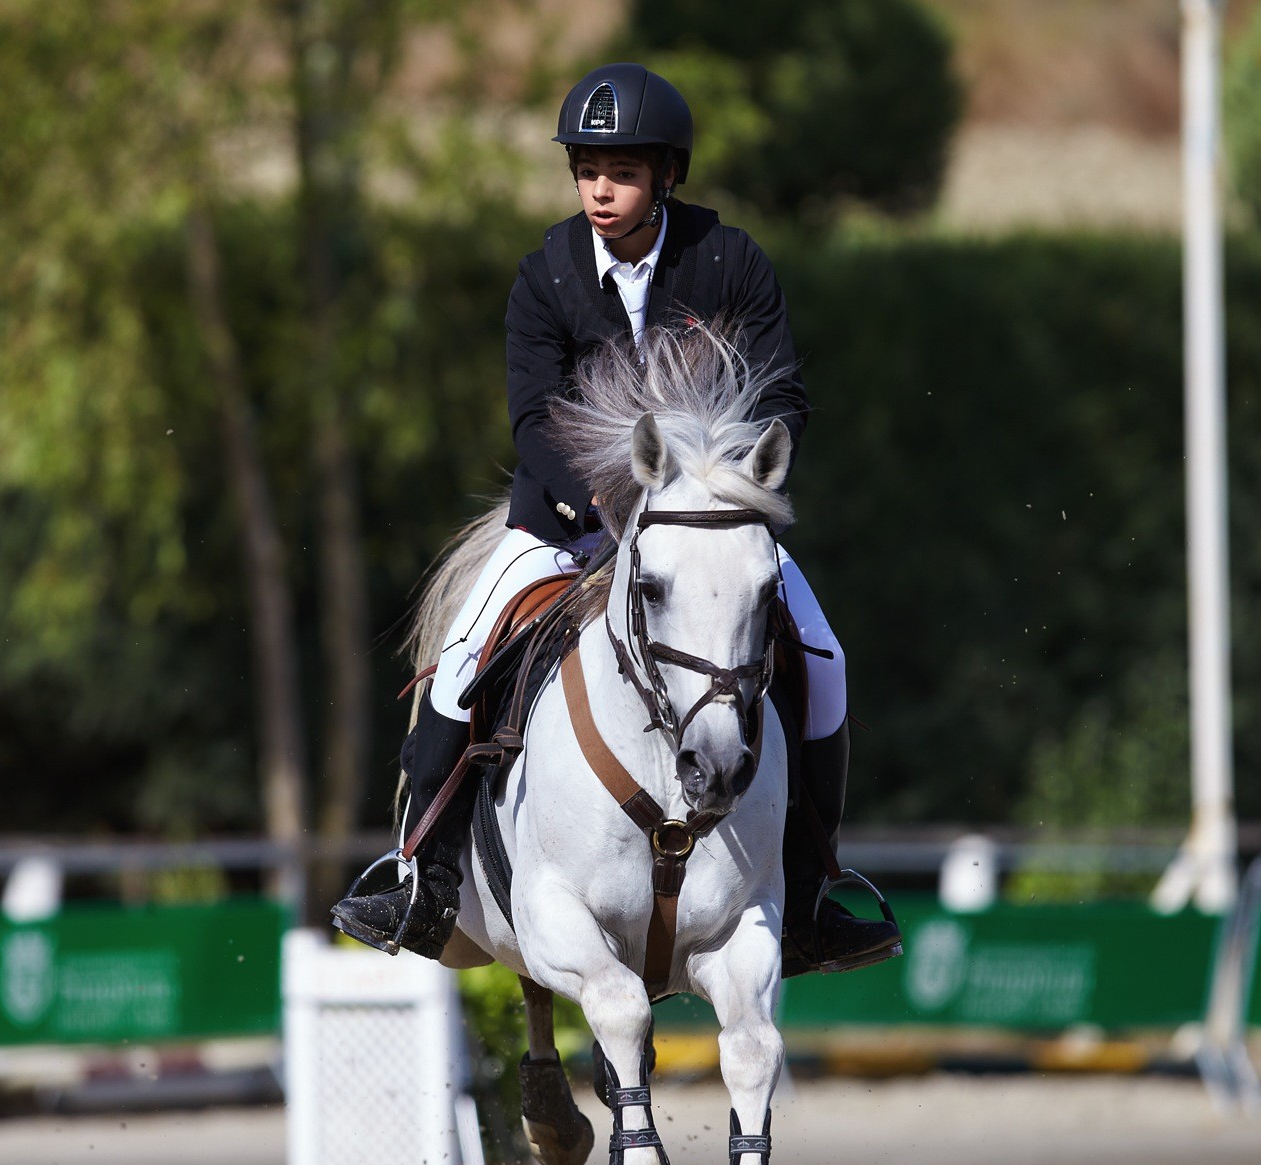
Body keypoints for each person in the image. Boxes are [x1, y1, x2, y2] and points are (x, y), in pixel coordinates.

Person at [333, 62, 899, 977]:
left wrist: (741, 480)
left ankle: (814, 884)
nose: (601, 188)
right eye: (587, 169)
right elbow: (532, 417)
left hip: (707, 530)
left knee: (823, 661)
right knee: (463, 658)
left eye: (623, 171)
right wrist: (601, 501)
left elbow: (781, 389)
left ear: (665, 176)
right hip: (568, 524)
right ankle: (418, 872)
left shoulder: (728, 259)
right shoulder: (544, 274)